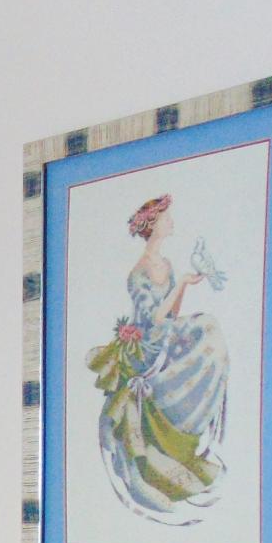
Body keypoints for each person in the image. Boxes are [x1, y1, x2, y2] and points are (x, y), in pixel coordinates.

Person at [87, 193, 231, 523]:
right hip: (146, 341)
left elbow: (171, 314)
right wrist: (181, 284)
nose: (171, 222)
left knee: (208, 328)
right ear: (153, 225)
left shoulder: (166, 264)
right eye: (166, 218)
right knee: (207, 327)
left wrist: (184, 286)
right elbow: (152, 319)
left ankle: (194, 412)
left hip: (163, 330)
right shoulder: (138, 272)